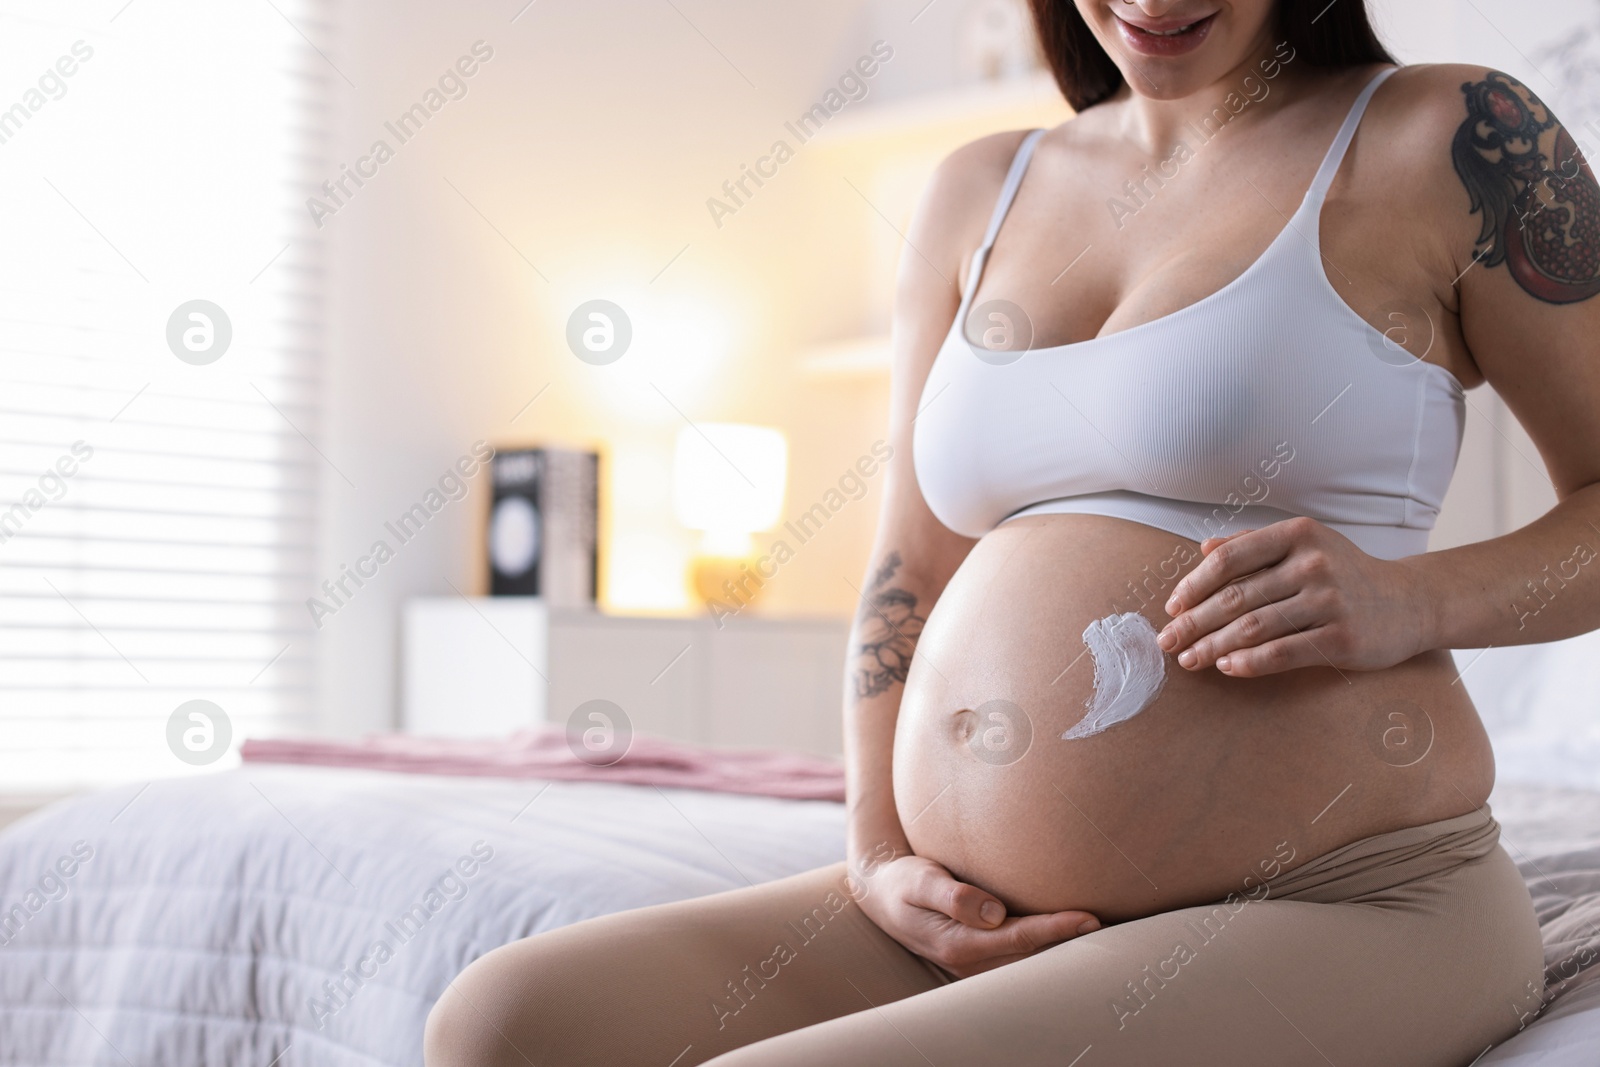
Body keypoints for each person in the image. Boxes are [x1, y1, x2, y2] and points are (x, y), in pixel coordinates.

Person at [426, 0, 1600, 1062]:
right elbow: (907, 566)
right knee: (502, 1022)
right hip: (986, 907)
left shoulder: (1456, 134)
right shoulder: (976, 188)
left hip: (1344, 896)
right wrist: (879, 851)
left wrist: (1417, 596)